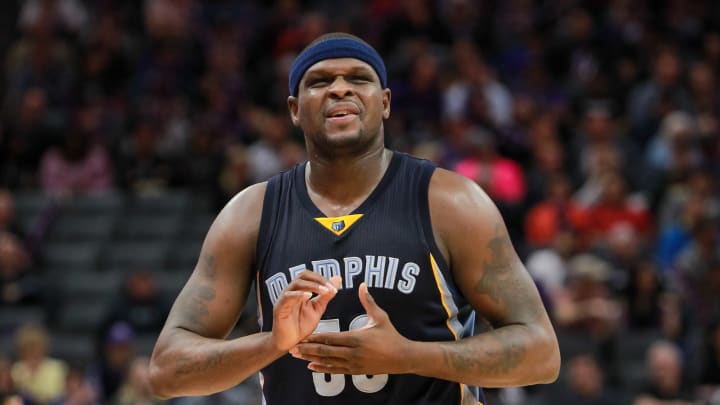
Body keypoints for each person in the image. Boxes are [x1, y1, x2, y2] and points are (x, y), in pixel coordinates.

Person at [149, 32, 560, 404]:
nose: (340, 88)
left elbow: (541, 354)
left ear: (384, 103)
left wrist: (410, 356)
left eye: (358, 79)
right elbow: (166, 370)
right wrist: (272, 343)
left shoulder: (450, 202)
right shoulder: (250, 214)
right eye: (320, 81)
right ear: (294, 109)